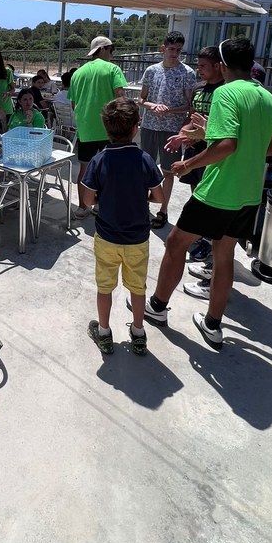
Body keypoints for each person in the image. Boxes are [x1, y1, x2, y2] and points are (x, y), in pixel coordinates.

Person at [143, 37, 272, 351]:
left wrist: (187, 164)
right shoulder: (266, 97)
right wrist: (208, 134)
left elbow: (227, 145)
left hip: (219, 191)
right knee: (225, 255)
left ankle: (156, 307)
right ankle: (212, 325)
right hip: (250, 193)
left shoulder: (225, 92)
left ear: (222, 65)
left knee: (175, 243)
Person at [82, 98, 164, 356]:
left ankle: (104, 333)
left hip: (107, 237)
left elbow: (87, 199)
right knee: (137, 288)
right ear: (136, 127)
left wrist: (102, 198)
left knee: (104, 287)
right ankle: (138, 333)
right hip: (138, 239)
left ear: (106, 128)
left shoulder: (99, 160)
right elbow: (159, 197)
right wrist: (142, 196)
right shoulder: (145, 159)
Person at [138, 31, 197, 230]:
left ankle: (163, 209)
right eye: (171, 49)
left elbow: (189, 106)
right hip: (149, 126)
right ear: (163, 48)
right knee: (146, 168)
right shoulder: (151, 71)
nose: (174, 53)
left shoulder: (187, 73)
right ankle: (143, 204)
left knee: (168, 171)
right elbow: (141, 99)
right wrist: (153, 106)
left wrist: (170, 110)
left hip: (172, 129)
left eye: (178, 50)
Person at [69, 36, 127, 220]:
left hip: (85, 129)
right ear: (102, 49)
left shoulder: (78, 73)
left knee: (84, 169)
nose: (112, 54)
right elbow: (120, 98)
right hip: (109, 129)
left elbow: (73, 103)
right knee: (107, 169)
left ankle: (82, 207)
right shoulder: (113, 69)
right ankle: (100, 205)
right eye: (111, 49)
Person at [181, 46, 225, 267]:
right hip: (194, 150)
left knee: (210, 198)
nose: (199, 70)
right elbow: (192, 118)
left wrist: (202, 136)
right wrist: (184, 134)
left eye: (203, 66)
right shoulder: (198, 88)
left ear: (217, 66)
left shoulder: (225, 91)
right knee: (196, 194)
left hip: (213, 153)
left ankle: (209, 240)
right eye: (198, 65)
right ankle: (200, 234)